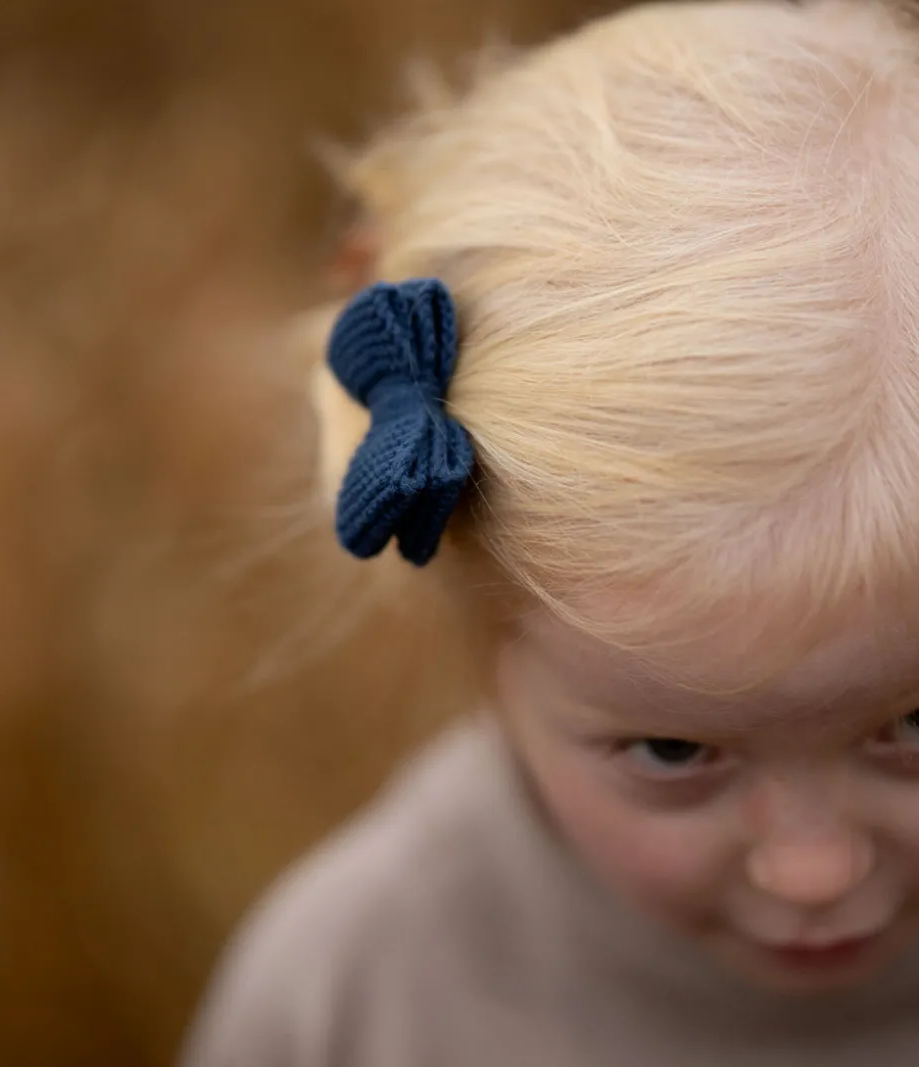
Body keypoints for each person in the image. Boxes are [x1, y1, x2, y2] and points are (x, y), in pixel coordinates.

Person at [180, 1, 919, 1062]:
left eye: (911, 720)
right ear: (484, 645)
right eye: (673, 749)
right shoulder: (358, 988)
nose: (817, 867)